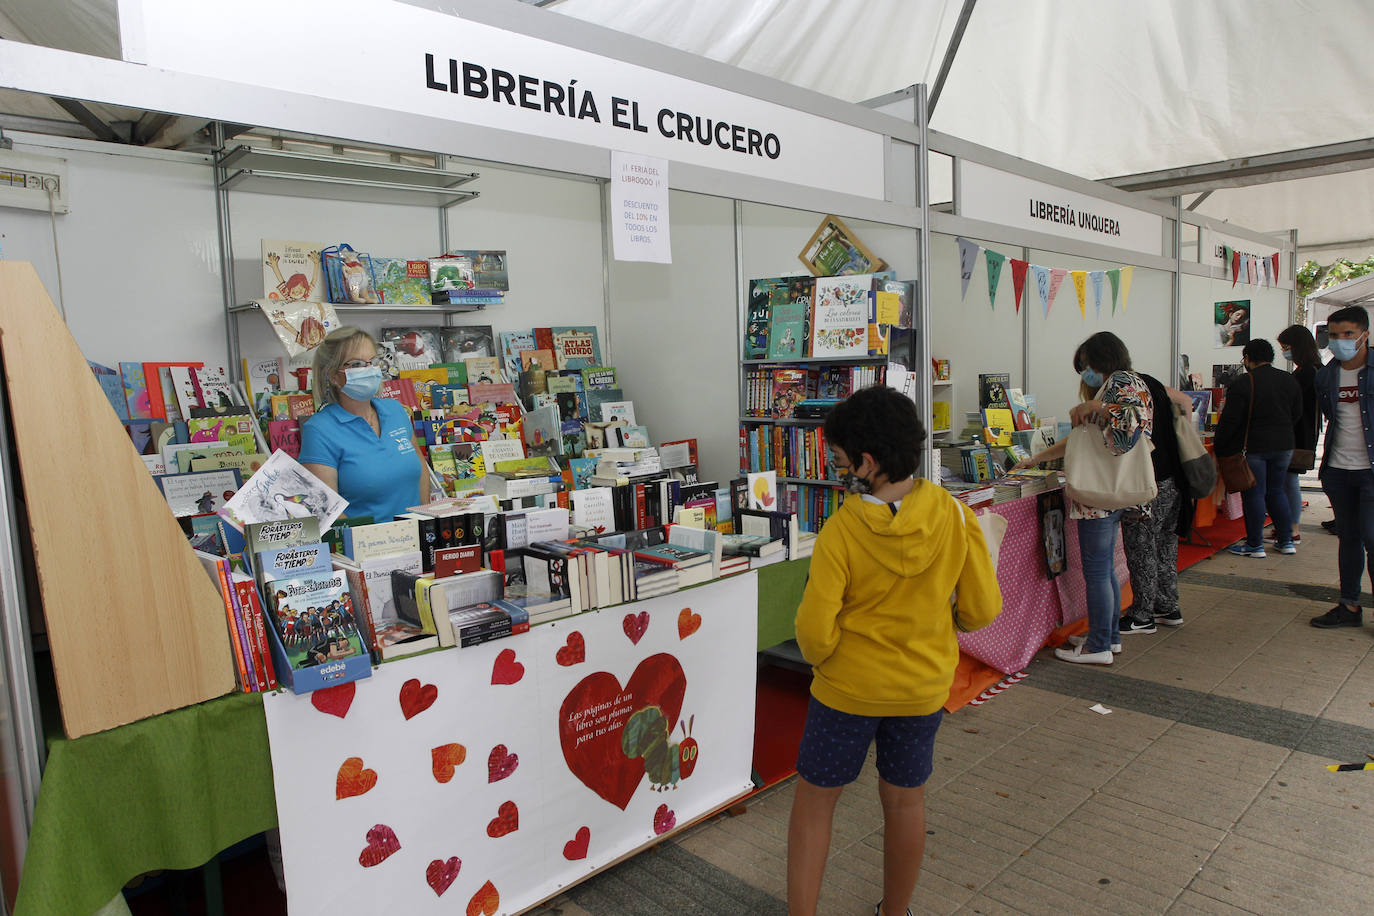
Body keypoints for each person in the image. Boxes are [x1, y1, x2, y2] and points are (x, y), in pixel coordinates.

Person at [787, 386, 1002, 916]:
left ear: (866, 462)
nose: (836, 468)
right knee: (906, 800)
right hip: (922, 688)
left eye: (838, 459)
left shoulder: (840, 531)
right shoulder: (954, 515)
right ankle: (895, 910)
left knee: (816, 803)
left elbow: (814, 633)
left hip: (847, 692)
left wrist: (832, 657)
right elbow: (981, 609)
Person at [1011, 331, 1153, 664]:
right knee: (1104, 571)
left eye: (1086, 365)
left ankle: (1099, 645)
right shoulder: (1116, 386)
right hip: (1110, 493)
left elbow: (1134, 422)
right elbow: (1081, 438)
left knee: (1098, 572)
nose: (1084, 374)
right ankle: (1109, 636)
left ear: (1100, 359)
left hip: (1099, 495)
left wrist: (1097, 406)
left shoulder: (1123, 382)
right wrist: (1037, 458)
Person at [299, 327, 428, 521]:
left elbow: (420, 469)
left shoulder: (395, 411)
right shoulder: (319, 430)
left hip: (418, 539)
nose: (369, 370)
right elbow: (327, 511)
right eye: (357, 364)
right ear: (333, 376)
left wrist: (425, 522)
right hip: (366, 546)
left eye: (374, 362)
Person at [1312, 306, 1374, 628]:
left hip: (1370, 471)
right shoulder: (1325, 375)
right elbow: (1330, 418)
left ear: (1364, 334)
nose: (1340, 341)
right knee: (1348, 538)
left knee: (1372, 538)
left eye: (1348, 334)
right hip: (1338, 469)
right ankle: (1349, 607)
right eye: (1334, 336)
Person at [1119, 372, 1193, 633]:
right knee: (1164, 545)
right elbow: (1185, 401)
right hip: (1173, 476)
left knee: (1142, 548)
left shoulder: (1123, 387)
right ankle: (1168, 606)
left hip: (1149, 479)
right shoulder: (1151, 382)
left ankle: (1142, 615)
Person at [1215, 339, 1302, 558]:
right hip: (1284, 446)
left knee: (1254, 494)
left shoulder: (1245, 382)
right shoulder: (1288, 380)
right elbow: (1298, 413)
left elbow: (1230, 420)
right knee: (1276, 491)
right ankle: (1286, 540)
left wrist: (1221, 447)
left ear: (1247, 358)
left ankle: (1255, 545)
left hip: (1254, 448)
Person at [1274, 325, 1321, 545]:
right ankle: (1288, 526)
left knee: (1289, 480)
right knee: (1287, 481)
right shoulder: (1307, 369)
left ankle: (1292, 528)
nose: (1285, 351)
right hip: (1299, 432)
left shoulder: (1307, 373)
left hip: (1298, 434)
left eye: (1286, 347)